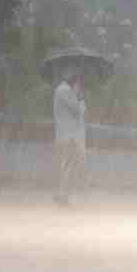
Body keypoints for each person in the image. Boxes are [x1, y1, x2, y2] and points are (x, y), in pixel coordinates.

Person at [53, 65, 87, 208]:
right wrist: (81, 101)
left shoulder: (62, 90)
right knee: (68, 166)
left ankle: (62, 194)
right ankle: (63, 196)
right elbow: (77, 111)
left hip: (64, 134)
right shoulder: (65, 91)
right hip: (69, 135)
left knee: (66, 166)